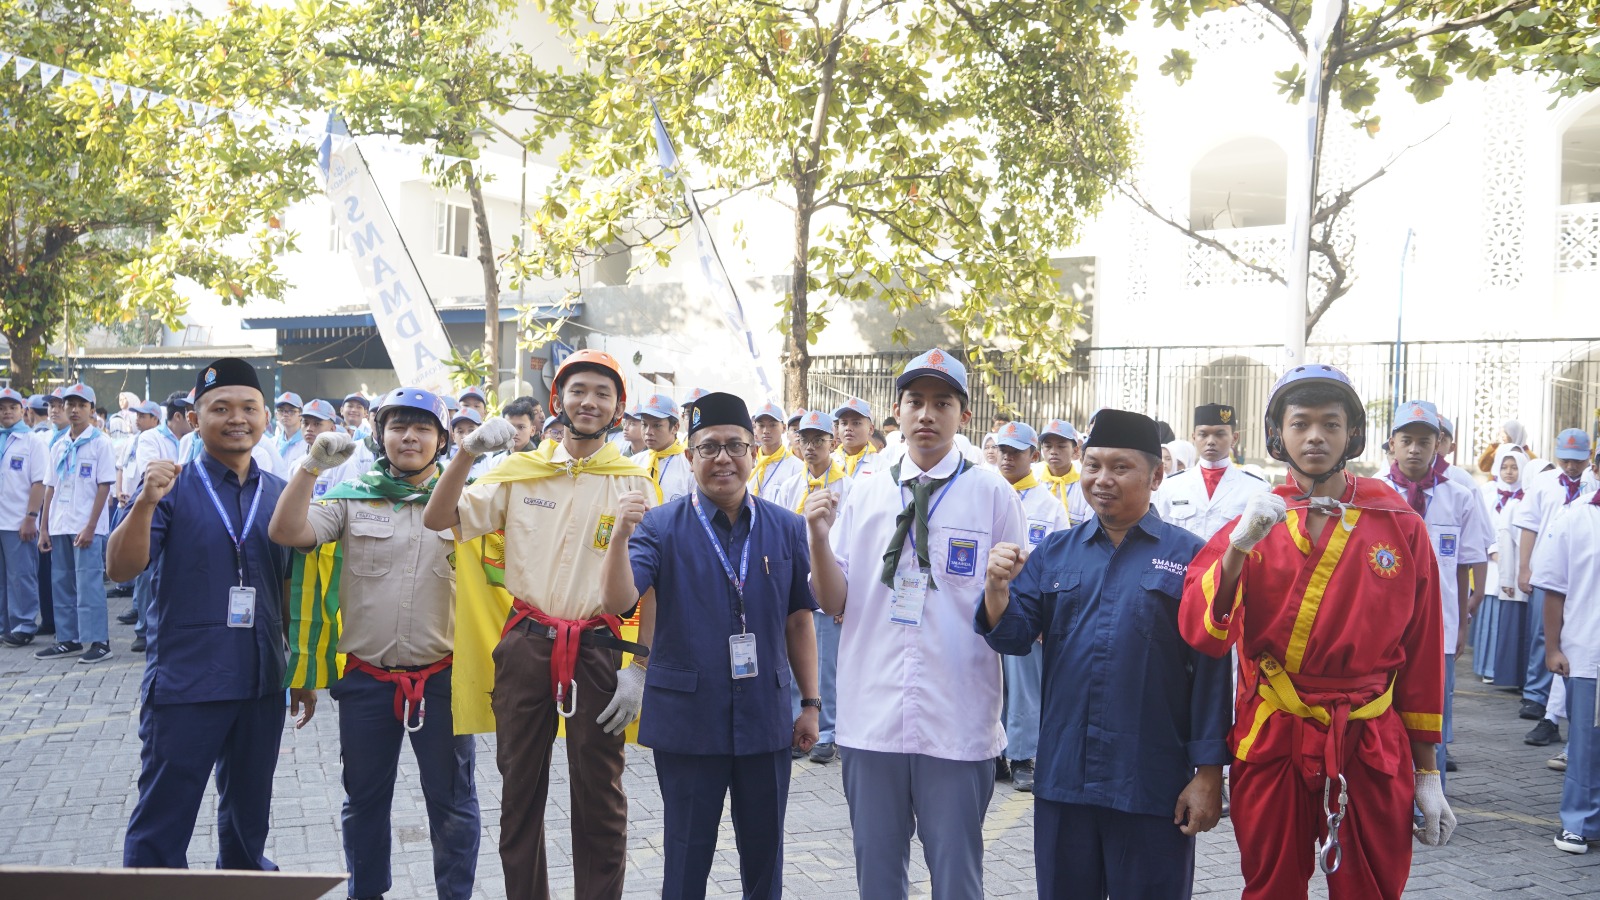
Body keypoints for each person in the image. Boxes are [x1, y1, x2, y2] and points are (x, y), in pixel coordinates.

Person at [1178, 364, 1453, 899]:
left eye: (1331, 424)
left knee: (1372, 888)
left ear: (1352, 434)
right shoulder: (1254, 518)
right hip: (1275, 733)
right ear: (1277, 434)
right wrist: (1239, 545)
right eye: (1300, 423)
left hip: (1371, 740)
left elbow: (1421, 656)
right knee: (1271, 886)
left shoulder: (1399, 524)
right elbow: (1202, 632)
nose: (1315, 437)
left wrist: (1428, 774)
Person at [422, 349, 655, 900]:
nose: (589, 402)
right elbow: (438, 519)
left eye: (603, 393)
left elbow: (651, 587)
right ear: (559, 400)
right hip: (526, 646)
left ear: (619, 408)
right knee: (519, 792)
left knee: (601, 797)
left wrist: (638, 667)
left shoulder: (634, 483)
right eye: (579, 390)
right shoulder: (518, 473)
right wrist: (465, 456)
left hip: (598, 649)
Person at [805, 348, 1026, 900]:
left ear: (963, 416)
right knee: (878, 876)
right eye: (915, 402)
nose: (927, 414)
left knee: (957, 876)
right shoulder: (866, 491)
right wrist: (816, 538)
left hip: (957, 717)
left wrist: (998, 587)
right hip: (871, 714)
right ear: (897, 414)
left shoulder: (992, 494)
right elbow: (835, 601)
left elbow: (1012, 618)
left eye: (942, 403)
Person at [981, 409, 1230, 897]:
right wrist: (995, 590)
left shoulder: (1193, 558)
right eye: (1092, 465)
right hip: (1065, 780)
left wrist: (1208, 776)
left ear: (1156, 475)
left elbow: (1211, 673)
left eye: (1120, 467)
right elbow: (1011, 637)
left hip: (1151, 782)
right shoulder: (1056, 552)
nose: (1102, 479)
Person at [599, 391, 820, 900]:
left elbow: (799, 621)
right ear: (689, 457)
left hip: (765, 717)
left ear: (754, 452)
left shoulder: (786, 527)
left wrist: (810, 704)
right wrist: (618, 536)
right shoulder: (659, 526)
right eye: (709, 447)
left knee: (765, 858)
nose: (723, 458)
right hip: (688, 721)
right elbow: (619, 599)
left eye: (735, 446)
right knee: (685, 856)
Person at [271, 387, 480, 900]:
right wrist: (310, 467)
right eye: (398, 426)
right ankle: (366, 893)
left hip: (445, 680)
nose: (410, 436)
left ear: (440, 440)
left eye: (423, 428)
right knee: (363, 801)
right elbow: (286, 530)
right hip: (367, 681)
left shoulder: (468, 504)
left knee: (453, 803)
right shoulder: (352, 499)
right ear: (379, 435)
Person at [109, 358, 297, 869]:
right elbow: (122, 568)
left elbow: (286, 588)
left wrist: (297, 668)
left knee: (248, 822)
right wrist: (146, 503)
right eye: (220, 408)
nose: (236, 418)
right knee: (163, 823)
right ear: (195, 419)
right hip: (189, 683)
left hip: (260, 684)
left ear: (264, 417)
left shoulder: (280, 494)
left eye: (248, 408)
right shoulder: (171, 488)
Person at [1376, 401, 1492, 783]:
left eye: (1424, 441)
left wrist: (1459, 625)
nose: (1414, 449)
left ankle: (1430, 794)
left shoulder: (1459, 496)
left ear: (1438, 443)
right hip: (1381, 629)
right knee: (1380, 715)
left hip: (1437, 627)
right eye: (1406, 440)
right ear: (1391, 443)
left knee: (1431, 715)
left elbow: (1461, 567)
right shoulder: (1372, 495)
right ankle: (1386, 795)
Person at [987, 421, 1072, 792]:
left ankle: (1023, 755)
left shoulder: (1049, 505)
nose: (1007, 457)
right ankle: (995, 754)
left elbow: (1059, 564)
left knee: (1023, 685)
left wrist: (1046, 615)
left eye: (1016, 451)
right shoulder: (984, 495)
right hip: (989, 603)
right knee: (988, 680)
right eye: (1003, 450)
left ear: (1032, 456)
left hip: (1026, 607)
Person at [773, 410, 852, 765]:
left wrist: (844, 597)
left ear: (832, 444)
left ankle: (829, 732)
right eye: (804, 440)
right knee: (795, 662)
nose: (810, 447)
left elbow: (850, 544)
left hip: (827, 587)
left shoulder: (848, 488)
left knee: (827, 667)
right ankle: (796, 725)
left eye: (818, 440)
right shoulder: (790, 486)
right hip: (794, 586)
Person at [1515, 428, 1598, 747]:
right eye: (1566, 460)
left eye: (1578, 461)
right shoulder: (1544, 483)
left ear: (1590, 459)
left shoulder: (1594, 485)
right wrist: (1525, 567)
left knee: (1576, 639)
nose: (1572, 467)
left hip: (1583, 575)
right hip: (1548, 571)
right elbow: (1529, 527)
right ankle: (1536, 695)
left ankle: (1562, 709)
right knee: (1544, 634)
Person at [1532, 480, 1600, 854]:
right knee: (1586, 746)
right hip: (1588, 651)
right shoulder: (1576, 517)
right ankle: (1577, 823)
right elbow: (1554, 588)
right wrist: (1553, 647)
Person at [33, 383, 117, 664]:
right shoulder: (59, 445)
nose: (74, 410)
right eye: (69, 404)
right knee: (62, 583)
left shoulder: (100, 443)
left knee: (89, 582)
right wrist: (44, 528)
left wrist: (91, 526)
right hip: (60, 524)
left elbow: (105, 487)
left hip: (86, 526)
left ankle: (99, 641)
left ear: (92, 410)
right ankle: (67, 638)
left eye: (81, 405)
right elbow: (49, 488)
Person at [126, 393, 192, 653]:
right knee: (146, 569)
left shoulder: (191, 440)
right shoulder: (151, 438)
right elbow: (149, 471)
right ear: (179, 416)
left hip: (185, 510)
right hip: (156, 505)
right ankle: (144, 627)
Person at [1154, 404, 1271, 541]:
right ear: (1194, 437)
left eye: (1219, 434)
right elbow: (1160, 535)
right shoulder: (1171, 486)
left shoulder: (1256, 489)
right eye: (1203, 434)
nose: (1210, 441)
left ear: (1234, 438)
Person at [1478, 448, 1531, 687]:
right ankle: (1486, 666)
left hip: (1514, 566)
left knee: (1505, 619)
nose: (1509, 472)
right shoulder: (1489, 495)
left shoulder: (1526, 498)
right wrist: (1494, 552)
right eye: (1504, 467)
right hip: (1491, 565)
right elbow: (1482, 525)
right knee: (1490, 618)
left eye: (1514, 467)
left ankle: (1501, 667)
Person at [0, 388, 45, 647]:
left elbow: (39, 482)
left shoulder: (32, 441)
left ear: (22, 411)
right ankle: (5, 625)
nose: (6, 411)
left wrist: (31, 517)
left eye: (11, 407)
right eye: (1, 407)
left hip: (18, 520)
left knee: (22, 575)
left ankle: (24, 624)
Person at [633, 393, 691, 503]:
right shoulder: (633, 463)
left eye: (657, 425)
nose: (648, 432)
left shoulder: (689, 465)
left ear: (675, 427)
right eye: (644, 424)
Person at [1036, 419, 1091, 527]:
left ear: (1075, 450)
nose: (1053, 451)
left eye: (1061, 446)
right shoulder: (1034, 480)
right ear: (1042, 449)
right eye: (1048, 446)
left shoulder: (1085, 486)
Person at [749, 401, 801, 500]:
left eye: (772, 425)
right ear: (755, 428)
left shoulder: (796, 468)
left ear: (784, 428)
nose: (766, 431)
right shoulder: (748, 463)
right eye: (761, 425)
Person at [832, 397, 880, 478]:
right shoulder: (827, 463)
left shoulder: (881, 466)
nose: (848, 428)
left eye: (856, 423)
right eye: (844, 423)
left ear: (871, 429)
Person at [273, 392, 306, 465]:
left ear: (301, 415)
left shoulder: (307, 445)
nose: (285, 414)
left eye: (291, 411)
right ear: (276, 414)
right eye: (281, 410)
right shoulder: (272, 443)